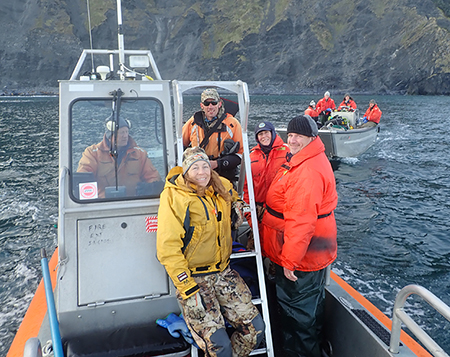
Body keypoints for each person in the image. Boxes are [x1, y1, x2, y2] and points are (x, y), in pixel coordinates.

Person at [156, 147, 265, 357]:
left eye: (205, 166)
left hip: (224, 273)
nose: (202, 172)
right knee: (219, 346)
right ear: (186, 171)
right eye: (195, 167)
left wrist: (238, 205)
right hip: (195, 279)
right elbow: (167, 249)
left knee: (255, 330)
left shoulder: (221, 186)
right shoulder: (174, 197)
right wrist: (188, 289)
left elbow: (233, 196)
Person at [260, 115, 338, 357]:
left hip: (301, 258)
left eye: (298, 136)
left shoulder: (307, 171)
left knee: (298, 313)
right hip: (308, 253)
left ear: (311, 138)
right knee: (307, 309)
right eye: (290, 135)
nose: (291, 140)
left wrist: (290, 260)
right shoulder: (305, 159)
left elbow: (302, 221)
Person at [77, 116, 161, 198]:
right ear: (110, 136)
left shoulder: (140, 154)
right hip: (102, 205)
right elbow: (83, 180)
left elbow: (153, 177)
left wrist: (150, 189)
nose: (125, 136)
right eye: (121, 133)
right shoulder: (92, 153)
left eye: (126, 132)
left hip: (134, 202)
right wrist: (99, 197)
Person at [182, 88, 244, 184]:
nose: (210, 106)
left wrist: (217, 164)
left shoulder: (232, 124)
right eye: (206, 104)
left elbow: (240, 155)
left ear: (219, 104)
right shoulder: (193, 122)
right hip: (197, 174)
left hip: (222, 175)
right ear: (202, 106)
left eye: (213, 103)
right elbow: (181, 145)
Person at [243, 121, 289, 225]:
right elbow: (246, 188)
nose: (264, 136)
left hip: (282, 210)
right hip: (259, 211)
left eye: (266, 133)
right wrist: (249, 214)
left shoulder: (287, 151)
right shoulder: (251, 156)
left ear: (273, 133)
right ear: (256, 138)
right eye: (260, 134)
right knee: (258, 240)